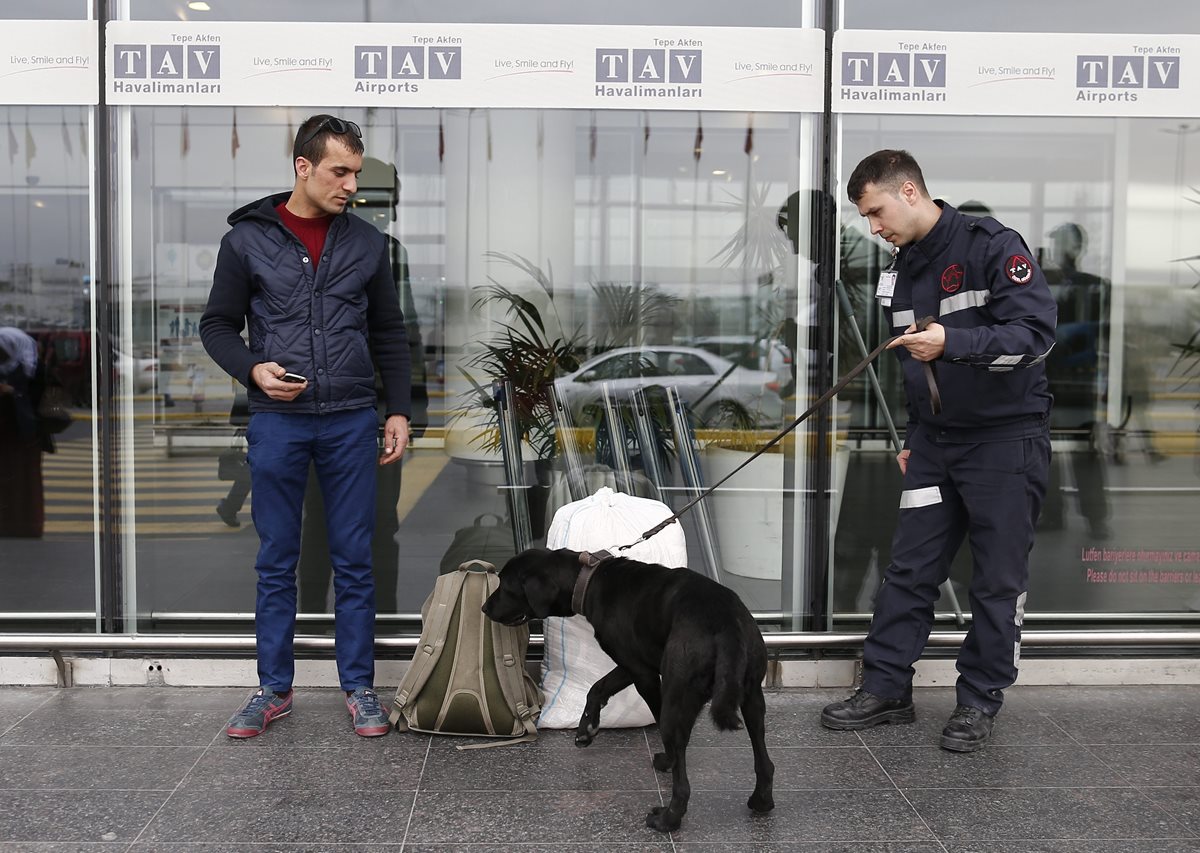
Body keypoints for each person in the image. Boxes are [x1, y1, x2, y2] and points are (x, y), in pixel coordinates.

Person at [820, 150, 1056, 752]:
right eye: (866, 218)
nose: (873, 227)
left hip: (1004, 442)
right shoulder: (901, 268)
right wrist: (911, 435)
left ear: (908, 190)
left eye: (876, 212)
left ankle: (979, 701)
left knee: (997, 581)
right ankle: (887, 687)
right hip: (934, 444)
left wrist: (953, 341)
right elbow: (909, 364)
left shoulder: (993, 246)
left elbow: (1034, 337)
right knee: (909, 568)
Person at [200, 114, 412, 738]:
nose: (351, 185)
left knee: (355, 558)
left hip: (350, 419)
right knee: (276, 560)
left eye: (356, 173)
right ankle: (272, 689)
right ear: (303, 167)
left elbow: (388, 333)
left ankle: (359, 688)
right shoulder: (246, 241)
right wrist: (252, 369)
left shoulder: (368, 245)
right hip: (278, 421)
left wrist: (396, 409)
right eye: (339, 172)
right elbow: (216, 326)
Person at [0, 327, 47, 538]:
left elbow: (38, 395)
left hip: (23, 433)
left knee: (24, 480)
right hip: (8, 434)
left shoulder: (32, 365)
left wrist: (13, 392)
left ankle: (27, 525)